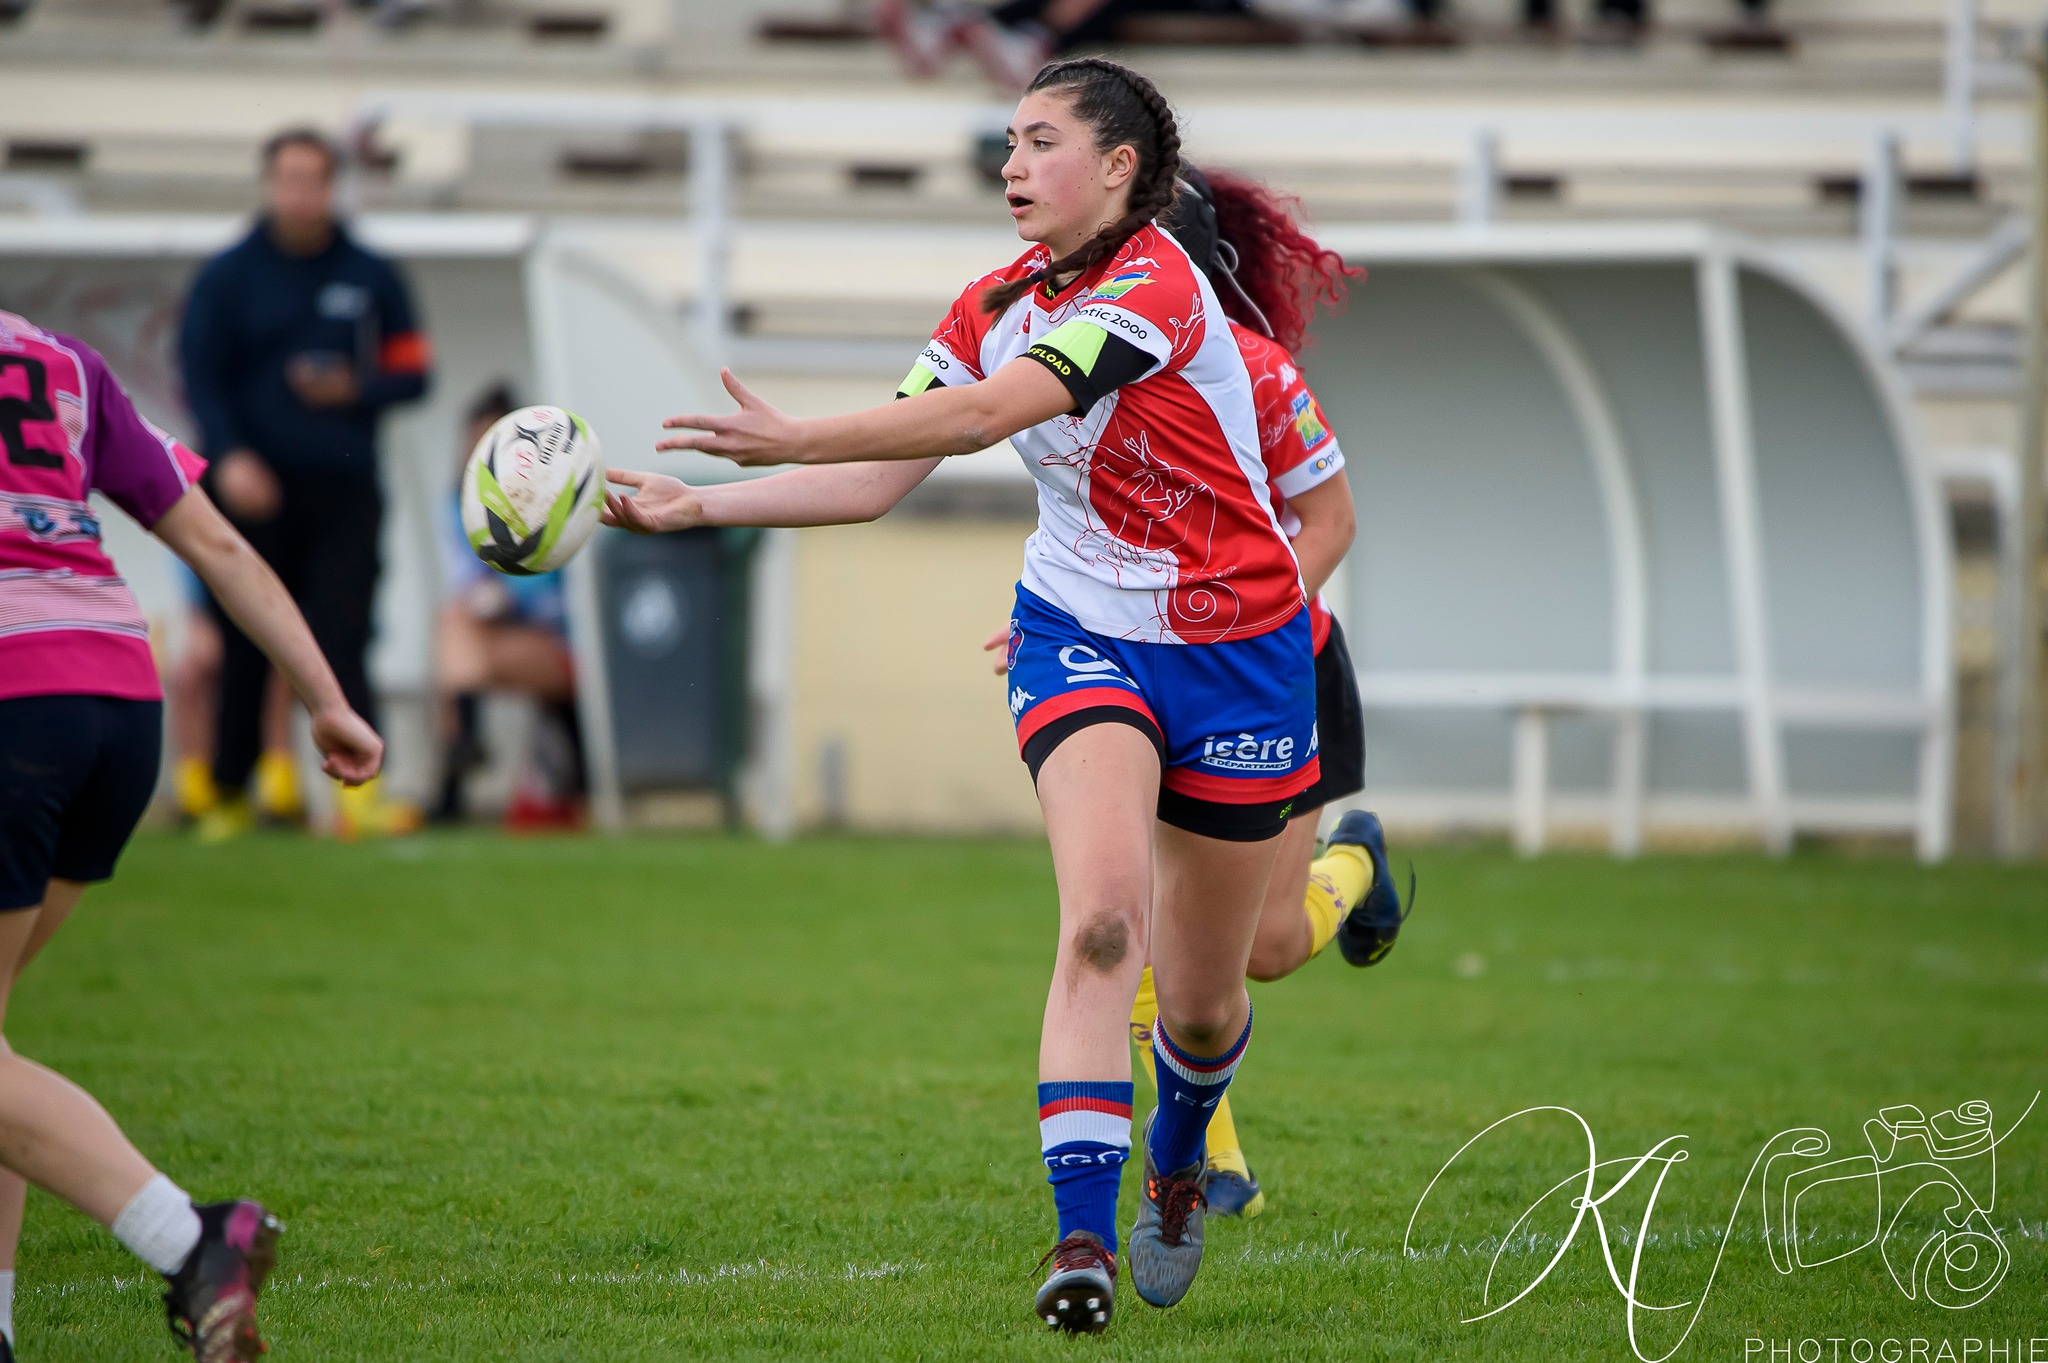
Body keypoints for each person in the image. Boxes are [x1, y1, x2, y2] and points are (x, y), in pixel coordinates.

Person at [604, 57, 1313, 1331]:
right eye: (1007, 141)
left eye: (1038, 141)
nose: (1009, 165)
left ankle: (1176, 1156)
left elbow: (986, 418)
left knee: (1204, 1003)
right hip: (1077, 636)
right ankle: (1080, 1243)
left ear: (1117, 168)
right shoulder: (990, 301)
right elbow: (879, 479)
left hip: (1239, 654)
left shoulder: (1154, 283)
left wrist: (796, 430)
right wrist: (698, 507)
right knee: (1101, 925)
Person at [984, 163, 1410, 1220]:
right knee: (1121, 917)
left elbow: (1332, 523)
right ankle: (1208, 1166)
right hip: (1142, 671)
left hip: (1272, 668)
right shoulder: (1074, 367)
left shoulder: (1254, 369)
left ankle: (1355, 862)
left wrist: (1222, 621)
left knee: (1265, 949)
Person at [0, 310, 382, 1359]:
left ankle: (191, 1240)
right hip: (118, 702)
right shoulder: (60, 359)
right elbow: (215, 539)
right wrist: (327, 698)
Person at [178, 125, 431, 841]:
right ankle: (229, 793)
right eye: (288, 178)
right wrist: (230, 456)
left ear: (332, 186)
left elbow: (414, 372)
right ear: (269, 184)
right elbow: (200, 377)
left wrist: (357, 388)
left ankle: (358, 797)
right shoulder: (228, 274)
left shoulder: (371, 273)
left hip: (344, 492)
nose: (301, 193)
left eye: (314, 179)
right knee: (244, 644)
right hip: (252, 490)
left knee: (345, 635)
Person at [433, 384, 584, 828]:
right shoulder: (458, 505)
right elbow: (467, 585)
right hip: (494, 644)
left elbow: (564, 603)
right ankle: (462, 743)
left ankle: (459, 757)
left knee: (454, 633)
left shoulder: (553, 504)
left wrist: (510, 597)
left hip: (563, 650)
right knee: (454, 625)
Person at [168, 557, 306, 834]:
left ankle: (279, 793)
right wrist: (199, 621)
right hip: (220, 611)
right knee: (188, 678)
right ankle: (197, 796)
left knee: (277, 675)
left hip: (277, 610)